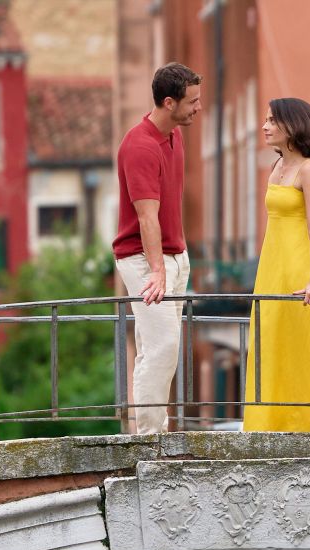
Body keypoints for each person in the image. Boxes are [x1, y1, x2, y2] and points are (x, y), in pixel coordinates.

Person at [243, 98, 310, 432]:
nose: (265, 126)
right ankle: (268, 421)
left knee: (302, 342)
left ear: (292, 125)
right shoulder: (276, 168)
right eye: (266, 119)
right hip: (273, 263)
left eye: (273, 120)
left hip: (302, 263)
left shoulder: (309, 170)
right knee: (271, 336)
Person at [114, 62, 202, 434]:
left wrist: (177, 261)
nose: (198, 107)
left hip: (174, 256)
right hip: (143, 259)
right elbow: (147, 217)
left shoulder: (174, 135)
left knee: (161, 347)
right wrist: (158, 271)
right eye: (192, 102)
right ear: (169, 103)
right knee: (162, 347)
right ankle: (149, 439)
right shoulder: (139, 147)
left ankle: (152, 431)